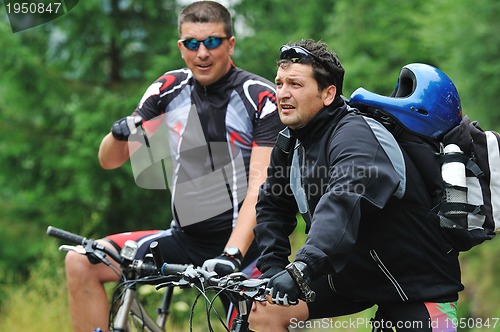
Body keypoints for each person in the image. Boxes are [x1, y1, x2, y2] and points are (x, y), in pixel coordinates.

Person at [64, 1, 283, 331]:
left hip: (246, 251)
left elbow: (259, 189)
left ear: (231, 43)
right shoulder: (168, 89)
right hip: (185, 240)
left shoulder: (259, 96)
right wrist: (119, 132)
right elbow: (110, 160)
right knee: (81, 261)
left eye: (212, 41)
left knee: (266, 320)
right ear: (181, 47)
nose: (202, 53)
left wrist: (231, 255)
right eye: (192, 44)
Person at [249, 39, 464, 332]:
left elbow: (342, 200)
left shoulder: (356, 135)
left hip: (416, 286)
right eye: (280, 83)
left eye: (296, 85)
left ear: (328, 94)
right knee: (267, 311)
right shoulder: (291, 143)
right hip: (351, 278)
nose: (283, 94)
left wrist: (303, 266)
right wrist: (273, 267)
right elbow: (272, 205)